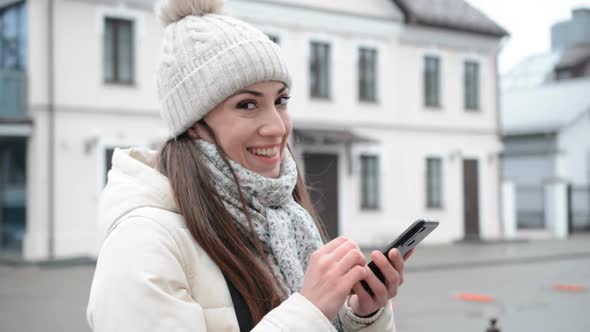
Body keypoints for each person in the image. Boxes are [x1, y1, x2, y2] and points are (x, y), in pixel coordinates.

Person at [86, 0, 412, 331]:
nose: (277, 126)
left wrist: (360, 317)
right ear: (192, 123)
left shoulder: (281, 219)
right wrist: (310, 310)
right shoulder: (142, 244)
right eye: (247, 104)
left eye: (281, 100)